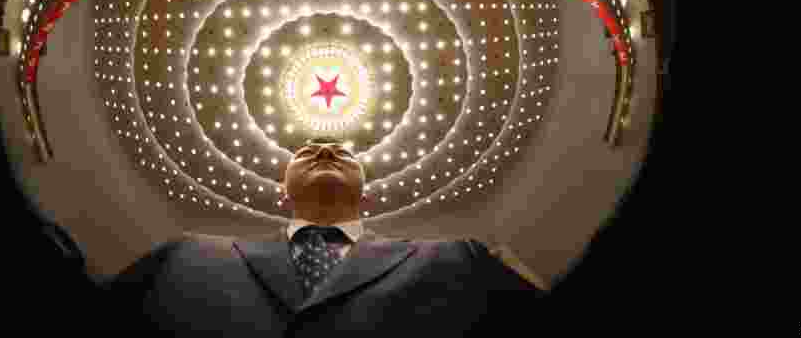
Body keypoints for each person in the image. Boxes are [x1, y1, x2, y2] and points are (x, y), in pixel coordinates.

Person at [105, 137, 543, 335]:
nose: (324, 150)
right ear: (284, 193)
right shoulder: (179, 257)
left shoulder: (461, 258)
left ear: (366, 197)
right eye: (305, 152)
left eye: (343, 153)